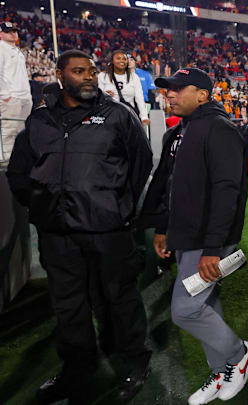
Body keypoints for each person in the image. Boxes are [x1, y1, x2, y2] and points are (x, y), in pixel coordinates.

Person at [6, 50, 153, 403]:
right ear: (60, 75)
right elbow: (19, 171)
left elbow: (141, 162)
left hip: (107, 230)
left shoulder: (118, 115)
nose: (88, 76)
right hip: (58, 233)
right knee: (68, 306)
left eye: (91, 71)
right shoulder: (39, 121)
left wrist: (118, 206)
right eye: (78, 71)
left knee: (120, 299)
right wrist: (42, 205)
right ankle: (77, 369)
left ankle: (133, 362)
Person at [141, 68, 248, 405]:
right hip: (185, 236)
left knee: (185, 310)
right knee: (207, 304)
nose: (170, 95)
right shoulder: (180, 132)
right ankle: (223, 370)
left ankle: (240, 354)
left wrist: (213, 248)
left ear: (203, 94)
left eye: (179, 89)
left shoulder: (220, 129)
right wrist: (163, 228)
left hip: (207, 240)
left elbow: (227, 192)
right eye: (168, 90)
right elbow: (170, 187)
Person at [0, 21, 32, 164]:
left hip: (24, 96)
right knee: (9, 130)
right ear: (1, 34)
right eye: (9, 31)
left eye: (14, 31)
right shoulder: (1, 49)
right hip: (12, 97)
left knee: (21, 131)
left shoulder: (16, 50)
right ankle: (4, 161)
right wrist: (5, 95)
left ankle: (16, 161)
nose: (13, 34)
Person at [98, 50, 150, 125]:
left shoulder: (134, 77)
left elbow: (140, 98)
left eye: (124, 59)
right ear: (112, 61)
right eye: (118, 58)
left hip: (127, 115)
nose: (121, 61)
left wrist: (144, 117)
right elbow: (98, 97)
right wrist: (105, 95)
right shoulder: (103, 76)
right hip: (108, 115)